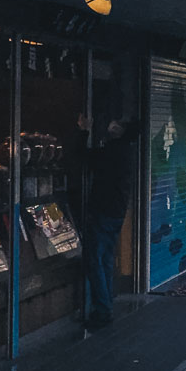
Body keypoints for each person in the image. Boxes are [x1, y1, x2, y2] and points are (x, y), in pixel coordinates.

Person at [77, 115, 138, 330]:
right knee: (105, 259)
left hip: (103, 211)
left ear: (121, 131)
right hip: (115, 212)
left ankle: (103, 309)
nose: (113, 124)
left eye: (118, 124)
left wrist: (84, 131)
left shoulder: (114, 151)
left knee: (96, 259)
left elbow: (85, 157)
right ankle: (105, 304)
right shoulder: (125, 151)